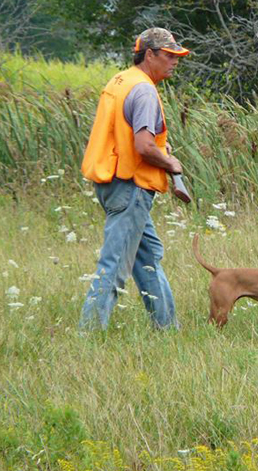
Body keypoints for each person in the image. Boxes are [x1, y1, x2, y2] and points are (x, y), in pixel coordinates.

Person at [78, 27, 189, 330]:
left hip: (111, 182)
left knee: (148, 258)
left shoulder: (120, 81)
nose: (175, 60)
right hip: (131, 186)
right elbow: (143, 146)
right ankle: (88, 336)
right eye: (168, 55)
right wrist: (171, 163)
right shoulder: (143, 90)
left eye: (176, 55)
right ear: (149, 54)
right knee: (114, 266)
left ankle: (167, 330)